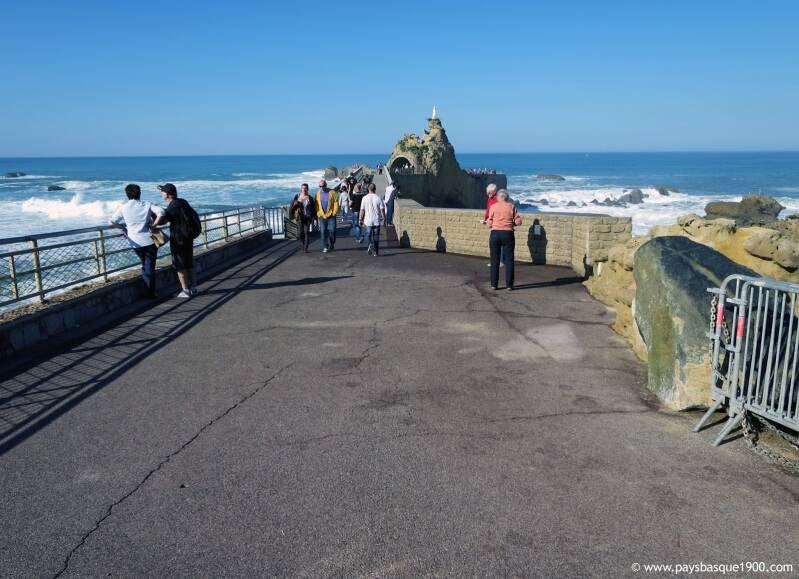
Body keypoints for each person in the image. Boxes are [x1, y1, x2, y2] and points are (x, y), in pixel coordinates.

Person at [108, 183, 165, 299]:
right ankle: (150, 293)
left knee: (145, 263)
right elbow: (161, 212)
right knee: (149, 265)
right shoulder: (146, 204)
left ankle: (148, 290)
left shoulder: (123, 207)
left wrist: (123, 228)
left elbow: (111, 222)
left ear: (127, 194)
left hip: (134, 241)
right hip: (149, 240)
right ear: (139, 193)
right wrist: (154, 225)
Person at [151, 183, 199, 298]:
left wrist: (154, 214)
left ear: (167, 194)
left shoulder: (173, 205)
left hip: (179, 239)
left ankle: (185, 290)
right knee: (188, 263)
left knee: (179, 264)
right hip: (188, 237)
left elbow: (163, 220)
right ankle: (193, 288)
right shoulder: (182, 202)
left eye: (162, 192)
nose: (161, 194)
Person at [487, 189, 521, 291]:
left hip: (495, 234)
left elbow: (489, 223)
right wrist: (512, 223)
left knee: (494, 260)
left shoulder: (493, 207)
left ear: (498, 197)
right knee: (509, 260)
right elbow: (518, 222)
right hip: (508, 234)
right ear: (507, 198)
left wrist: (490, 223)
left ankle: (494, 284)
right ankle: (509, 285)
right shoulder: (511, 206)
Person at [289, 183, 317, 253]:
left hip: (308, 217)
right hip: (299, 217)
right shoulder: (297, 196)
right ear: (301, 189)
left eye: (305, 188)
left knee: (306, 232)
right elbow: (292, 206)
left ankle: (306, 248)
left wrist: (315, 218)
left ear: (307, 189)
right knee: (300, 233)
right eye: (302, 188)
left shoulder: (310, 198)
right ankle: (303, 243)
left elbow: (314, 209)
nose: (304, 189)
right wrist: (291, 216)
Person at [482, 183, 504, 268]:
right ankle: (495, 262)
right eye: (487, 193)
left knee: (498, 244)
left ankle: (500, 262)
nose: (488, 194)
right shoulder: (490, 199)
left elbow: (498, 212)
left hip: (498, 224)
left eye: (489, 193)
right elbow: (488, 210)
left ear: (494, 192)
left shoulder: (498, 199)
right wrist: (486, 219)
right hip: (492, 224)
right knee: (494, 244)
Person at [360, 183, 385, 256]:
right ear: (375, 189)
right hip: (376, 220)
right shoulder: (378, 197)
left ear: (368, 189)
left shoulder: (364, 198)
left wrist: (360, 219)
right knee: (376, 236)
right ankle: (376, 252)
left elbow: (362, 210)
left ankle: (370, 244)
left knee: (368, 235)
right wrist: (384, 218)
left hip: (368, 221)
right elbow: (382, 209)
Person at [314, 179, 339, 253]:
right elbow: (316, 205)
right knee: (323, 231)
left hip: (331, 215)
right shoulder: (317, 194)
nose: (322, 187)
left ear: (326, 185)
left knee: (332, 230)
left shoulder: (332, 192)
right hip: (322, 216)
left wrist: (334, 213)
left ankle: (332, 243)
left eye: (323, 186)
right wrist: (318, 213)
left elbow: (336, 203)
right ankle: (325, 246)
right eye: (320, 186)